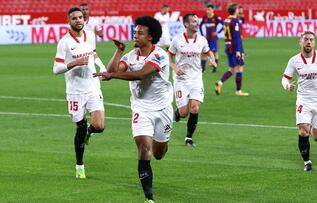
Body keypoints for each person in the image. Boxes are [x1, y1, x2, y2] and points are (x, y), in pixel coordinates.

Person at [93, 16, 173, 203]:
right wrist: (119, 51)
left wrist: (113, 75)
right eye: (135, 32)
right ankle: (149, 197)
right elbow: (112, 70)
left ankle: (160, 143)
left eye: (140, 33)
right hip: (141, 109)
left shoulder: (160, 55)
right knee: (144, 148)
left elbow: (141, 74)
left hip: (162, 110)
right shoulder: (131, 56)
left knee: (159, 153)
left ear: (151, 36)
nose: (135, 35)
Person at [53, 7, 106, 179]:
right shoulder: (64, 42)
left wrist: (101, 66)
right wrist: (74, 63)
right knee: (80, 128)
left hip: (92, 86)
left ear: (84, 19)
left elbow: (94, 53)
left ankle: (90, 132)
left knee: (99, 126)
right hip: (75, 91)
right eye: (74, 18)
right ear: (69, 21)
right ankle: (79, 164)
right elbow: (56, 69)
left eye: (80, 17)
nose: (78, 20)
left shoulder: (90, 36)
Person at [281, 30, 317, 172]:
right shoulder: (294, 61)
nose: (308, 42)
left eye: (311, 39)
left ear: (314, 42)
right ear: (300, 42)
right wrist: (287, 86)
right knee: (303, 131)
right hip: (303, 99)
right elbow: (285, 78)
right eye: (306, 39)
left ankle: (311, 128)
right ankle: (307, 162)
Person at [168, 13, 217, 147]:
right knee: (184, 112)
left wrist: (212, 60)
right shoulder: (177, 40)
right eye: (194, 21)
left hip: (196, 78)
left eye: (197, 21)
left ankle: (188, 138)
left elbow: (208, 52)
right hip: (181, 79)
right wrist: (174, 67)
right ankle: (178, 113)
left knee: (194, 108)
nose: (197, 23)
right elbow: (169, 56)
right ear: (186, 24)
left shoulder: (202, 40)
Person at [215, 3, 249, 96]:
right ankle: (238, 91)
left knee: (232, 69)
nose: (239, 10)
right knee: (240, 68)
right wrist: (238, 50)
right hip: (235, 48)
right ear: (235, 11)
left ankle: (220, 82)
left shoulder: (226, 20)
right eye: (238, 9)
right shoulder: (235, 21)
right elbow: (237, 36)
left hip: (228, 47)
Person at [199, 4, 223, 73]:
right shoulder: (205, 17)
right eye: (207, 9)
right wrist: (203, 34)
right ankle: (203, 69)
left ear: (213, 10)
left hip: (214, 39)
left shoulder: (216, 17)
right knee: (204, 53)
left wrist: (217, 32)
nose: (208, 11)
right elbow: (200, 25)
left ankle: (214, 68)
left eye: (209, 9)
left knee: (214, 53)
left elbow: (223, 24)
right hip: (207, 39)